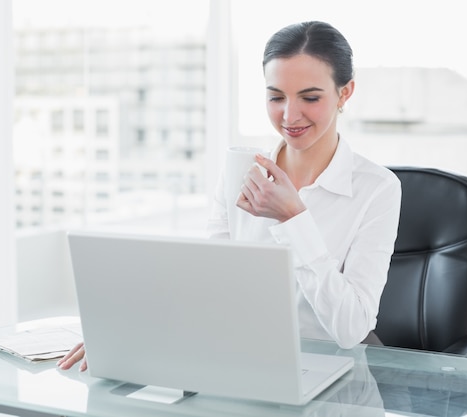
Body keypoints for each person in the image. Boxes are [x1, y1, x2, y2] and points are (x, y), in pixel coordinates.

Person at [58, 20, 401, 372]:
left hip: (330, 371)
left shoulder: (377, 189)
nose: (289, 115)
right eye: (275, 97)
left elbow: (351, 329)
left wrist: (294, 219)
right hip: (242, 360)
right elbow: (211, 286)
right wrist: (133, 328)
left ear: (345, 93)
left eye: (310, 97)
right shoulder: (241, 171)